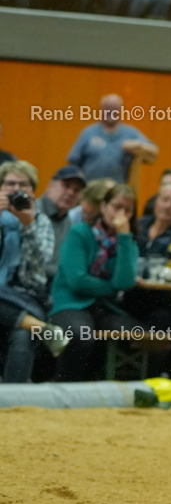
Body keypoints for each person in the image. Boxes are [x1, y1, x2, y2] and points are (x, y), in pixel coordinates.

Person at [49, 186, 139, 382]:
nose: (120, 214)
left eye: (127, 210)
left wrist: (124, 237)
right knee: (81, 335)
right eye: (116, 207)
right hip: (70, 303)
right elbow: (77, 281)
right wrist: (110, 287)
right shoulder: (80, 232)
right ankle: (63, 389)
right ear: (104, 206)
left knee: (139, 336)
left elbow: (124, 282)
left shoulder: (128, 241)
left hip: (105, 307)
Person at [0, 160, 66, 382]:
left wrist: (27, 226)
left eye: (24, 185)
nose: (16, 189)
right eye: (10, 183)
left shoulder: (40, 221)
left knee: (22, 335)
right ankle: (43, 328)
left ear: (33, 193)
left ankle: (13, 404)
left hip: (25, 297)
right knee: (28, 329)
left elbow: (40, 265)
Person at [66, 94, 158, 183]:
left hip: (117, 191)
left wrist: (136, 145)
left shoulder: (130, 133)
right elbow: (73, 160)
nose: (111, 111)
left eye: (115, 108)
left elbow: (153, 150)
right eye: (107, 108)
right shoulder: (88, 132)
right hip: (90, 188)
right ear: (101, 110)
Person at [35, 165, 86, 282]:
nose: (71, 193)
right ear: (50, 185)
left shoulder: (70, 224)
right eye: (66, 186)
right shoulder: (31, 213)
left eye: (76, 190)